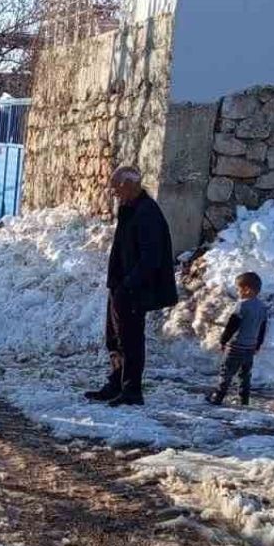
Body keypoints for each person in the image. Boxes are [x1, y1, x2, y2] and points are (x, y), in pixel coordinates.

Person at [83, 166, 178, 407]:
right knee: (114, 338)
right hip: (120, 286)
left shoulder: (147, 213)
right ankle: (116, 382)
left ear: (129, 185)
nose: (114, 193)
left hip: (135, 290)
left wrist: (128, 284)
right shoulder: (130, 209)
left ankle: (131, 390)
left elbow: (151, 258)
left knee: (130, 341)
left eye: (117, 188)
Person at [207, 272, 268, 406]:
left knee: (226, 373)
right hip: (250, 348)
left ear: (247, 289)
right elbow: (262, 328)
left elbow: (232, 325)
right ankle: (244, 400)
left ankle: (218, 397)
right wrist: (258, 345)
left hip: (235, 347)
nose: (237, 292)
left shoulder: (242, 305)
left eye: (238, 289)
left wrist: (223, 341)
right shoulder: (262, 307)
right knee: (245, 375)